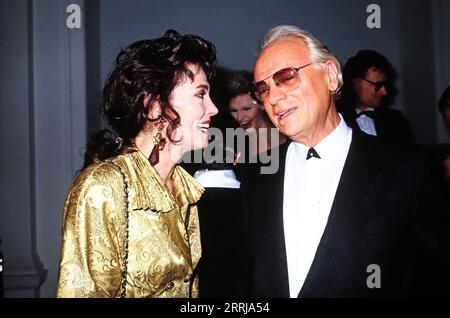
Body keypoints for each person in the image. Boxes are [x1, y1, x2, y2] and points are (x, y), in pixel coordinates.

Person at [240, 25, 449, 297]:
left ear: (329, 75)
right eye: (264, 89)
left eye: (286, 78)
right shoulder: (254, 175)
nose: (274, 97)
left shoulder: (406, 169)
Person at [56, 30, 218, 298]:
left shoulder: (184, 188)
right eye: (200, 95)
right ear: (155, 106)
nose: (213, 108)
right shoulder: (102, 188)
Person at [338, 50, 415, 145]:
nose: (384, 92)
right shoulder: (336, 119)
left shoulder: (395, 119)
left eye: (385, 85)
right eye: (378, 85)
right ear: (355, 83)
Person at [226, 70, 287, 157]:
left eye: (246, 109)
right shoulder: (235, 148)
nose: (239, 117)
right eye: (234, 111)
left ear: (262, 105)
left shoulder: (287, 139)